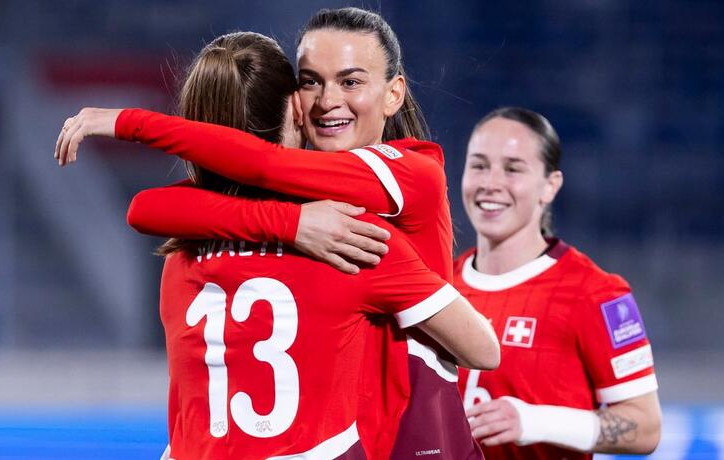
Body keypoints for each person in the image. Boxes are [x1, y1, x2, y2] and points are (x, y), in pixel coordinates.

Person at [54, 10, 499, 459]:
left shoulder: (408, 179)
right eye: (310, 82)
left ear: (393, 93)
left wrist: (130, 122)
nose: (326, 101)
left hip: (419, 438)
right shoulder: (354, 239)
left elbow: (249, 170)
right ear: (293, 107)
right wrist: (294, 224)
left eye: (350, 81)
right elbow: (151, 207)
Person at [454, 107, 662, 459]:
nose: (491, 183)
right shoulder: (438, 286)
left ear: (550, 186)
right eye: (479, 165)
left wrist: (534, 422)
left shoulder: (596, 293)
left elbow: (646, 427)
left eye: (513, 168)